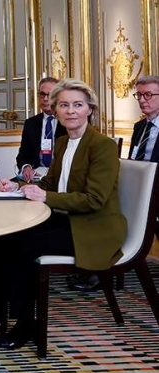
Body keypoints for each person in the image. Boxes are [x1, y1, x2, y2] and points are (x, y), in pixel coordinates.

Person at [0, 79, 126, 350]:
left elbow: (94, 200)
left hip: (94, 228)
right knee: (1, 237)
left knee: (25, 246)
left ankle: (26, 324)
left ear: (89, 110)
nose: (71, 111)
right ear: (55, 110)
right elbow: (50, 184)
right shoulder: (62, 143)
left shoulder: (102, 146)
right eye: (64, 105)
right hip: (67, 218)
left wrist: (44, 196)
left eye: (78, 105)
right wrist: (20, 186)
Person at [70, 74, 159, 293]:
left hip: (156, 193)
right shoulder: (140, 127)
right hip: (138, 192)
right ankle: (98, 268)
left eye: (148, 94)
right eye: (139, 95)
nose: (142, 100)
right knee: (99, 210)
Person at [16, 77, 68, 182]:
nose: (45, 99)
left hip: (60, 176)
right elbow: (23, 155)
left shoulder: (67, 122)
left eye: (50, 95)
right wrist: (26, 167)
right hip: (36, 175)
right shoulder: (31, 123)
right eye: (42, 94)